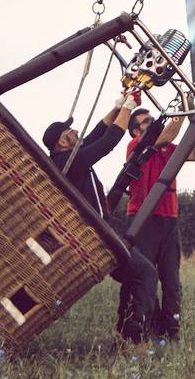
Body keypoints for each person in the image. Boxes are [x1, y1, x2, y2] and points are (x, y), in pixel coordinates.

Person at [44, 90, 157, 342]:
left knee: (133, 276)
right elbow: (106, 143)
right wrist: (128, 108)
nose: (75, 133)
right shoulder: (67, 162)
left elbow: (97, 132)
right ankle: (134, 338)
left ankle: (126, 330)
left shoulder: (66, 156)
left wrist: (118, 106)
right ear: (62, 142)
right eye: (69, 133)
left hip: (97, 233)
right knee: (146, 273)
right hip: (96, 235)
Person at [116, 107, 195, 342]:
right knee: (144, 276)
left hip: (169, 219)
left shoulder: (168, 148)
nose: (151, 123)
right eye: (145, 122)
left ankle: (170, 329)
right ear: (135, 130)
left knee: (171, 279)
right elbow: (166, 134)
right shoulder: (136, 146)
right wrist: (183, 112)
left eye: (151, 119)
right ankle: (141, 327)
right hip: (143, 219)